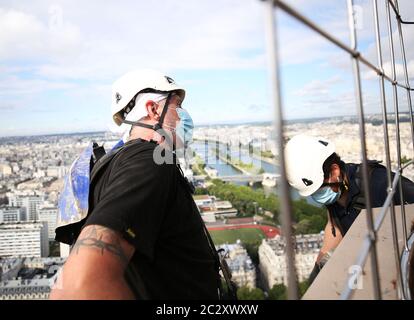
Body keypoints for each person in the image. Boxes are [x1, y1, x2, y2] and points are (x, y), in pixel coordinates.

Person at [50, 69, 223, 299]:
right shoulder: (149, 161)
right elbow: (80, 285)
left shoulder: (116, 162)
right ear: (153, 109)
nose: (183, 117)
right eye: (176, 106)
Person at [284, 134, 414, 285]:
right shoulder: (334, 191)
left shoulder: (382, 183)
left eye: (319, 190)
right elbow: (335, 227)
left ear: (334, 171)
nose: (317, 197)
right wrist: (319, 267)